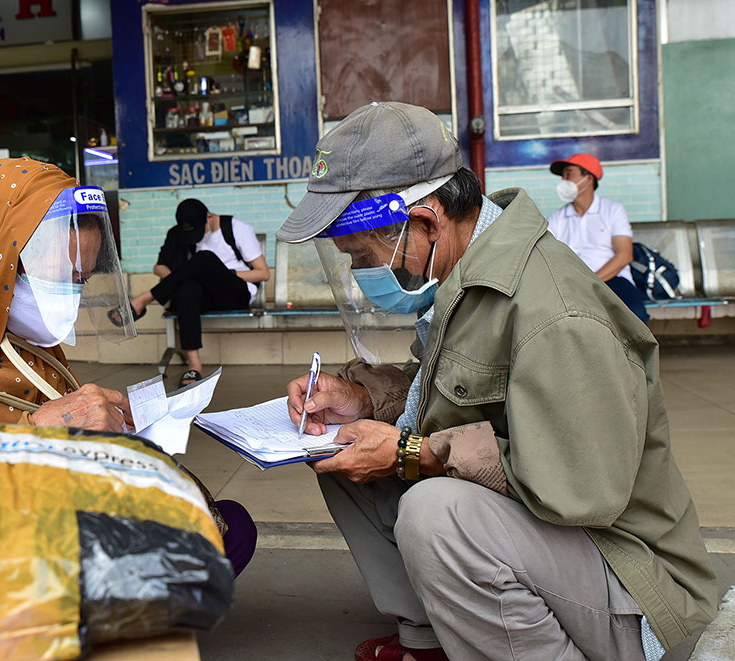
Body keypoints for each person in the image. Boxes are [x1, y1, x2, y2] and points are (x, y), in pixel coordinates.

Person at [276, 103, 715, 660]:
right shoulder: (467, 274)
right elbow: (462, 390)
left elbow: (580, 488)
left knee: (438, 514)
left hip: (627, 580)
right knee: (339, 443)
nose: (364, 278)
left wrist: (414, 453)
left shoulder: (557, 313)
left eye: (365, 256)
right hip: (568, 546)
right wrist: (363, 400)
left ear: (429, 222)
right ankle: (431, 639)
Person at [0, 157, 255, 576]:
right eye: (58, 277)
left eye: (82, 281)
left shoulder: (29, 343)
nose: (70, 297)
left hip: (59, 531)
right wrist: (35, 435)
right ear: (0, 263)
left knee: (230, 528)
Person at [121, 199, 269, 386]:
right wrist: (179, 279)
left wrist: (225, 272)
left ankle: (146, 298)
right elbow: (159, 267)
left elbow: (264, 273)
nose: (196, 238)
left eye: (199, 231)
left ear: (208, 217)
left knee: (204, 258)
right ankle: (194, 365)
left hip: (235, 292)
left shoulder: (236, 228)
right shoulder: (181, 234)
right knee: (187, 288)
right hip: (204, 295)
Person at [547, 153, 649, 323]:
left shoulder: (612, 211)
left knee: (636, 318)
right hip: (572, 283)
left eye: (569, 173)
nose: (564, 180)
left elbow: (624, 255)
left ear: (588, 179)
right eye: (563, 175)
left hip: (612, 279)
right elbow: (547, 254)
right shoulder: (558, 218)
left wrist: (592, 282)